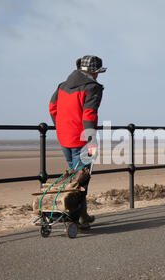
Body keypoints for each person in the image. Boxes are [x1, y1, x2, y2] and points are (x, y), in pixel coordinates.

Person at [48, 55, 107, 226]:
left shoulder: (62, 86)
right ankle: (78, 218)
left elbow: (52, 109)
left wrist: (60, 128)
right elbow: (89, 114)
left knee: (75, 177)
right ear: (94, 72)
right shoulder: (93, 88)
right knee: (81, 178)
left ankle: (82, 215)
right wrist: (91, 140)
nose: (98, 76)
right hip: (81, 140)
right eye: (98, 72)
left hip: (64, 138)